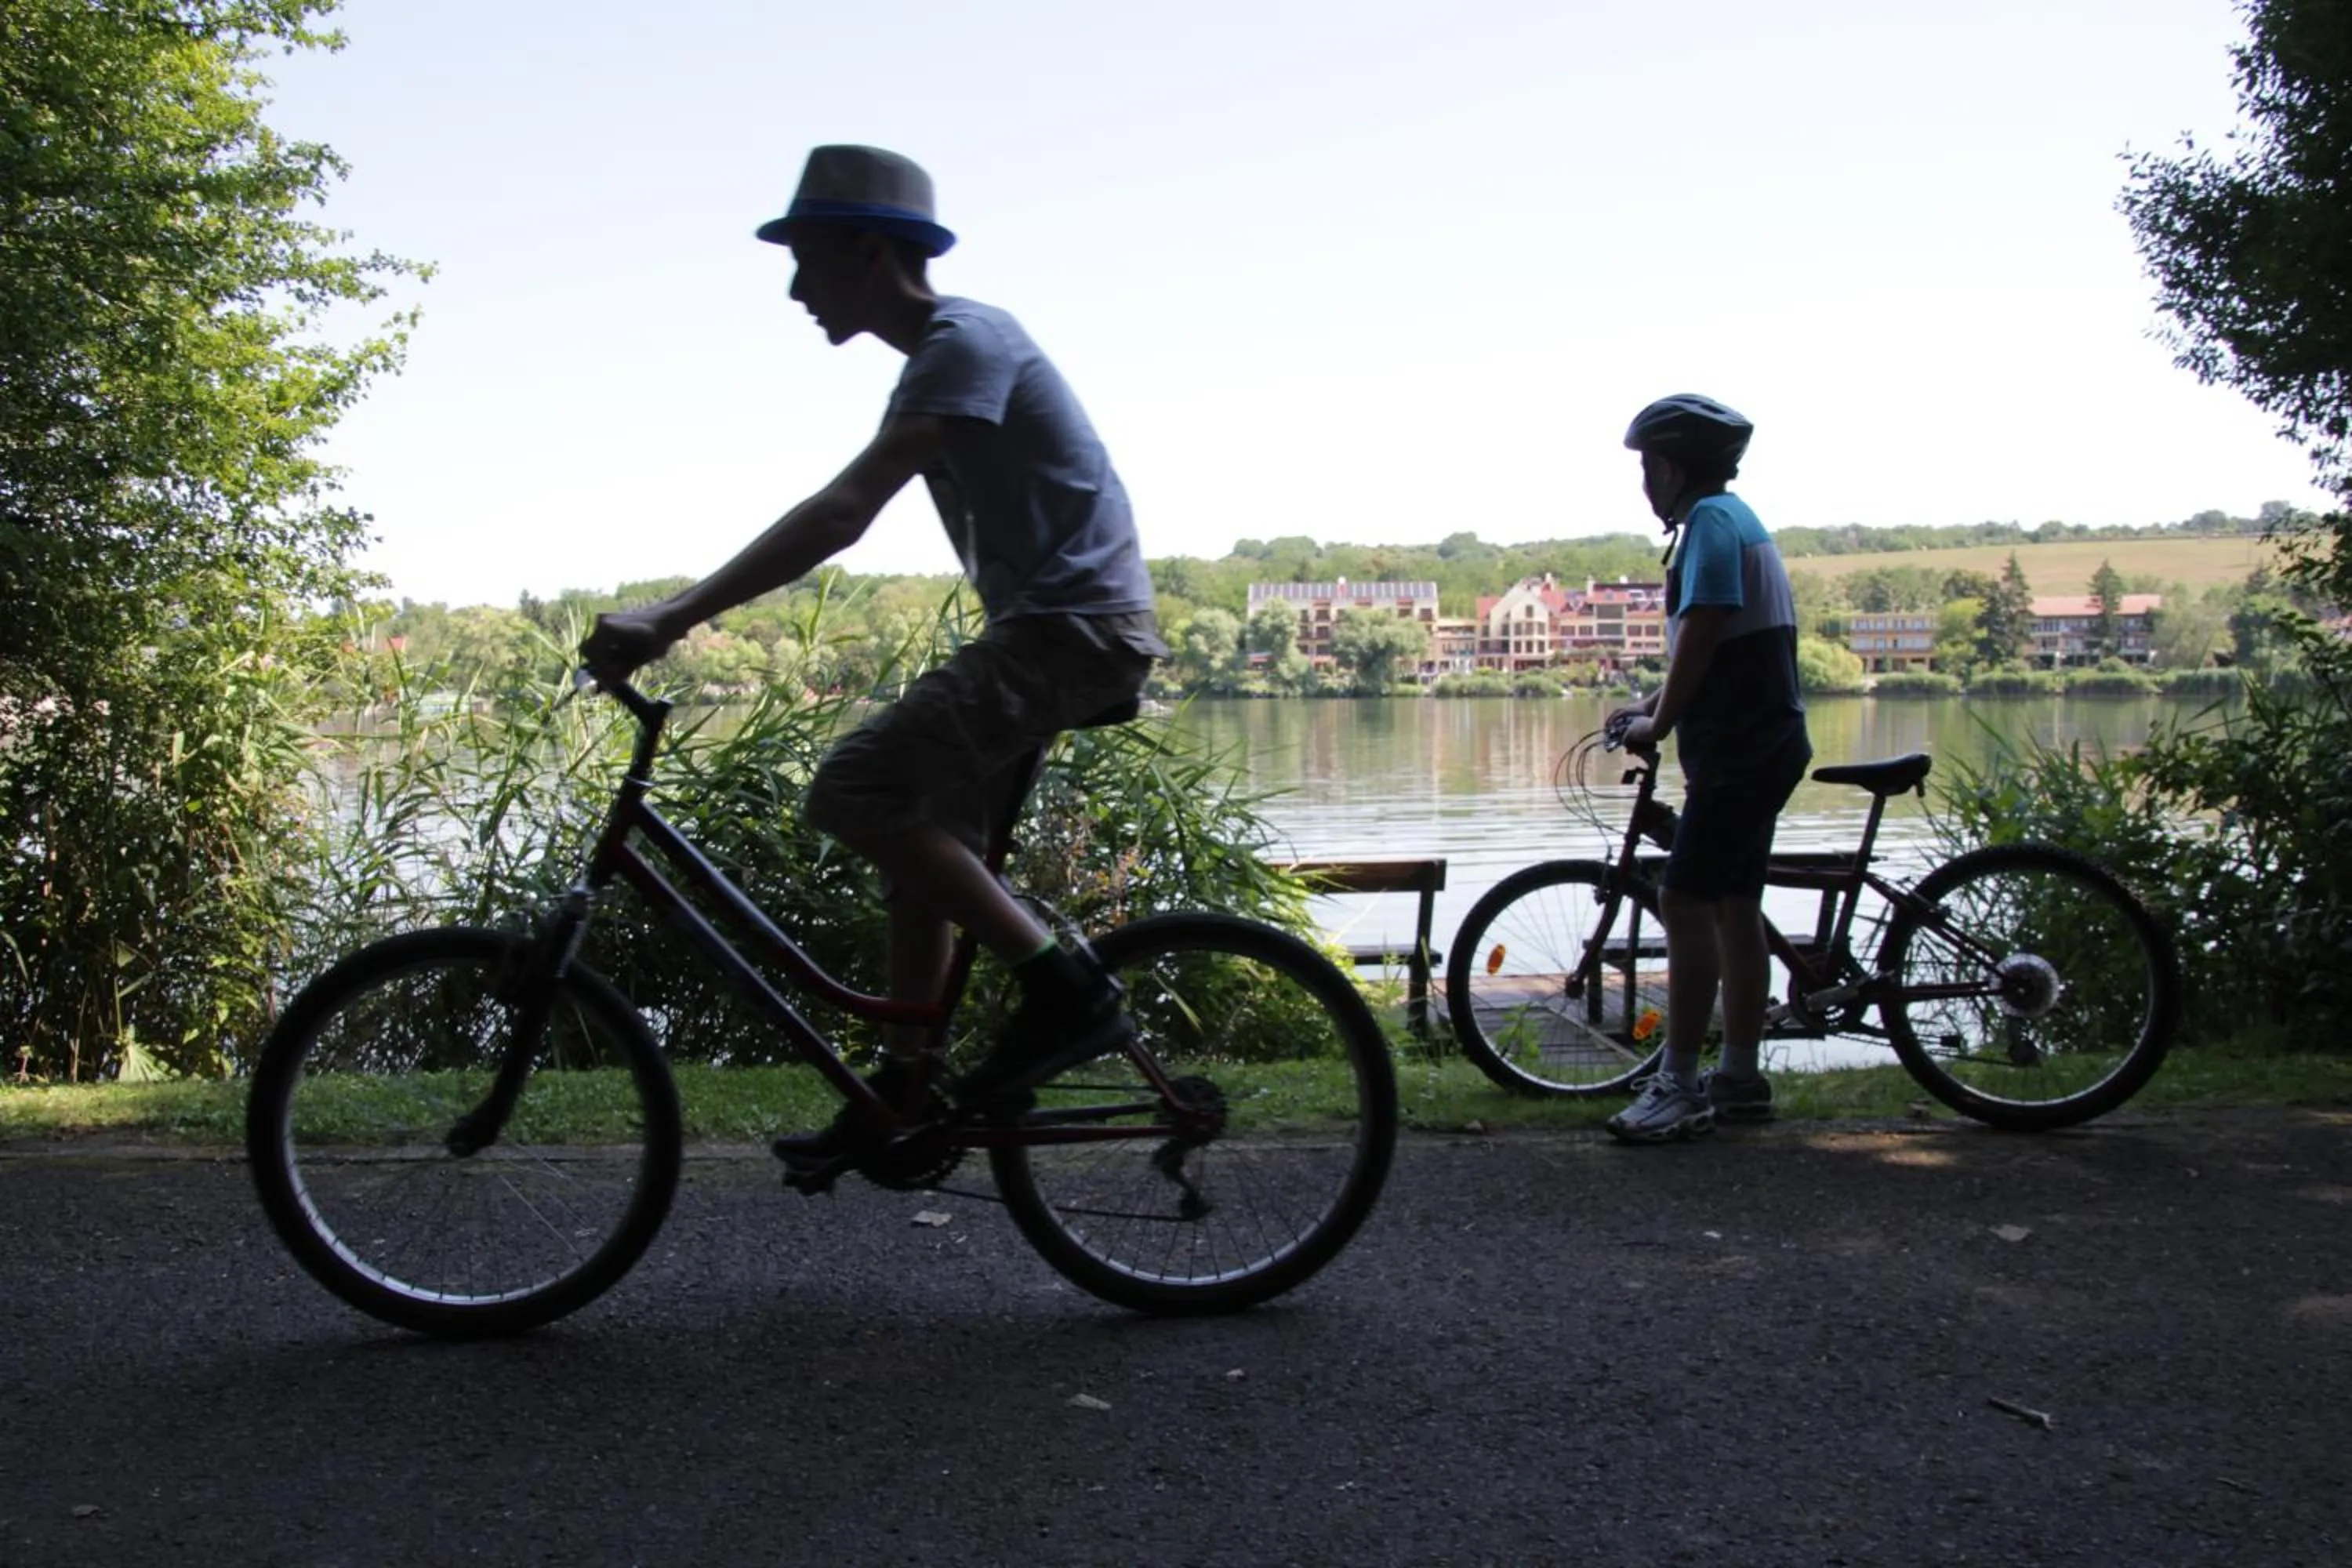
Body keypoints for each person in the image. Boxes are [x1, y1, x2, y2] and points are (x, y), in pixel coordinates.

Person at [582, 145, 1166, 1167]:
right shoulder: (948, 352)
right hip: (1057, 632)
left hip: (1072, 634)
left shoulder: (962, 342)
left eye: (804, 257)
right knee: (920, 845)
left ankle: (1067, 994)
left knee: (853, 786)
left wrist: (672, 617)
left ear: (865, 251)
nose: (795, 286)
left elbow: (845, 511)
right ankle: (906, 1089)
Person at [1603, 394, 1811, 1143]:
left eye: (1647, 467)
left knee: (1686, 904)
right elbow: (1710, 647)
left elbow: (1704, 625)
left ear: (1670, 465)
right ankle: (1742, 1078)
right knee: (1733, 909)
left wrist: (1659, 718)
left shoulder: (1713, 527)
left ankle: (1680, 1083)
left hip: (1740, 751)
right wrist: (1650, 705)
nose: (1644, 482)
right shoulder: (1732, 521)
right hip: (1761, 743)